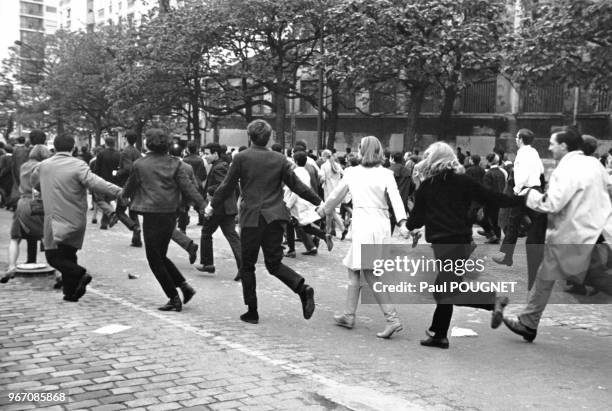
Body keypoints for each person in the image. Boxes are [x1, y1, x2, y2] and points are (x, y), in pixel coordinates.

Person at [406, 142, 523, 349]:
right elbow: (492, 198)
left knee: (446, 290)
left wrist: (418, 191)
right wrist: (522, 200)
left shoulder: (427, 186)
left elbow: (414, 222)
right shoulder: (464, 182)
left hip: (443, 243)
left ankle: (489, 303)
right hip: (462, 241)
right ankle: (439, 333)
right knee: (444, 290)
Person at [503, 127, 612, 342]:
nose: (550, 147)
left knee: (593, 278)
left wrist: (530, 195)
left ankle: (528, 322)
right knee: (548, 274)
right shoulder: (594, 164)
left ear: (564, 145)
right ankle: (528, 322)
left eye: (553, 143)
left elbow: (552, 203)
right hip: (596, 231)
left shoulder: (567, 168)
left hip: (574, 235)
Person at [207, 119, 319, 324]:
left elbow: (226, 186)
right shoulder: (280, 159)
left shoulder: (241, 158)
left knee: (248, 265)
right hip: (276, 217)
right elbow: (297, 186)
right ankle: (302, 288)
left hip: (252, 217)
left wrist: (212, 205)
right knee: (274, 263)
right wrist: (320, 203)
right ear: (269, 138)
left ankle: (252, 311)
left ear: (249, 137)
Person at [319, 136, 409, 339]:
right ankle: (349, 315)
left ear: (360, 150)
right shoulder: (386, 173)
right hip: (381, 223)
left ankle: (391, 318)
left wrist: (323, 210)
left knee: (367, 273)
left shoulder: (351, 173)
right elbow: (396, 200)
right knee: (356, 269)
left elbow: (335, 196)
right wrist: (403, 223)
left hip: (363, 224)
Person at [31, 134, 123, 302]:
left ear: (55, 148)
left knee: (53, 257)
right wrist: (119, 192)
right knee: (68, 255)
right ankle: (71, 292)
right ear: (73, 148)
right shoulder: (79, 165)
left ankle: (80, 273)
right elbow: (96, 182)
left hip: (54, 219)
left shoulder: (43, 166)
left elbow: (34, 182)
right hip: (76, 219)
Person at [122, 129, 205, 311]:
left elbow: (129, 188)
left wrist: (122, 199)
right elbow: (189, 188)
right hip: (170, 214)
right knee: (160, 255)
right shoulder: (175, 164)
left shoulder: (139, 164)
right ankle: (184, 287)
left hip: (151, 214)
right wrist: (203, 206)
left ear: (147, 143)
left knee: (154, 259)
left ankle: (174, 297)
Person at [493, 129, 547, 290]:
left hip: (523, 191)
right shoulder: (535, 152)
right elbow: (542, 171)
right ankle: (507, 255)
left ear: (521, 139)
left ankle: (508, 255)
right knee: (520, 221)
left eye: (517, 137)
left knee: (514, 222)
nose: (516, 140)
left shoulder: (522, 153)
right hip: (534, 189)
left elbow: (521, 175)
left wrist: (516, 190)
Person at [1, 145, 51, 283]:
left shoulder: (24, 166)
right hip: (37, 202)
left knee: (15, 238)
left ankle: (11, 267)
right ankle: (58, 271)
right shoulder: (43, 166)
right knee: (46, 237)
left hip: (22, 202)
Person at [196, 142, 242, 281]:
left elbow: (225, 186)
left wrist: (210, 191)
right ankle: (243, 267)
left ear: (215, 154)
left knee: (206, 232)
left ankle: (208, 263)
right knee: (231, 237)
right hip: (226, 208)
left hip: (220, 208)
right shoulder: (221, 165)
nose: (205, 156)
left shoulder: (219, 167)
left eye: (207, 153)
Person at [115, 131, 143, 247]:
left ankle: (134, 227)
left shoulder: (126, 152)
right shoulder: (138, 152)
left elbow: (128, 168)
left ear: (126, 139)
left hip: (126, 184)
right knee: (133, 212)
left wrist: (118, 173)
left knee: (119, 211)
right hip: (136, 185)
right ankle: (137, 239)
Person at [94, 137, 121, 229]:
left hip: (102, 180)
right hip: (114, 181)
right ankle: (106, 221)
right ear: (114, 143)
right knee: (108, 200)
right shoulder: (119, 154)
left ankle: (106, 220)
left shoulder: (101, 154)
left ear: (106, 143)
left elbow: (97, 168)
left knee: (100, 200)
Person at [318, 149, 345, 238]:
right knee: (329, 211)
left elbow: (322, 178)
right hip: (337, 190)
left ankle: (342, 228)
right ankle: (328, 230)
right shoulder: (337, 165)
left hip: (328, 191)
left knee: (329, 210)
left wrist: (321, 180)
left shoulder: (324, 166)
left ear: (325, 156)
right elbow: (343, 174)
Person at [482, 153, 507, 244]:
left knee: (488, 218)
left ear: (488, 161)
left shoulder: (488, 174)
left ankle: (493, 236)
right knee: (497, 218)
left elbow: (486, 189)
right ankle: (498, 235)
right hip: (500, 199)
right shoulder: (503, 172)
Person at [183, 140, 207, 226]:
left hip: (187, 183)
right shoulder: (200, 160)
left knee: (185, 204)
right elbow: (204, 174)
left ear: (188, 149)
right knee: (199, 203)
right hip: (198, 183)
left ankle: (184, 220)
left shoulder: (184, 160)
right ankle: (202, 220)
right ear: (196, 149)